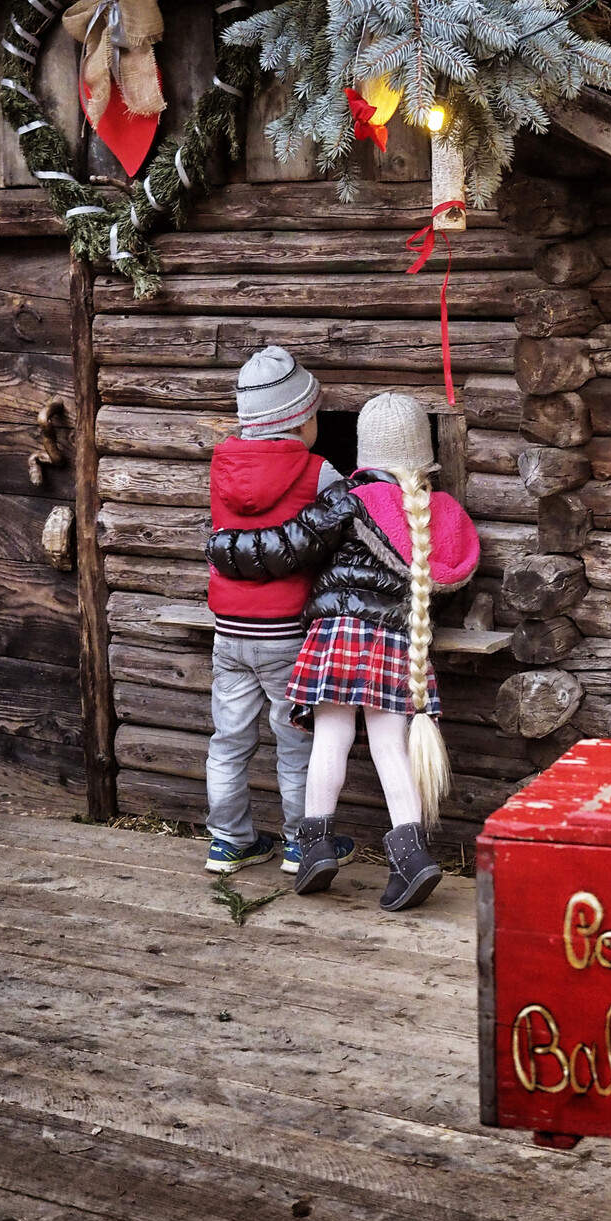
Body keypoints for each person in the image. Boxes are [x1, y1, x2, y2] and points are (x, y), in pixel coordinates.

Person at [206, 392, 479, 912]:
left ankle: (315, 851)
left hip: (338, 638)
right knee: (391, 749)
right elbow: (455, 573)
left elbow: (287, 547)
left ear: (364, 453)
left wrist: (222, 547)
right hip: (402, 642)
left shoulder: (349, 500)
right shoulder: (440, 513)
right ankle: (412, 855)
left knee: (329, 739)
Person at [204, 347, 355, 877]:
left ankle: (228, 841)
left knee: (229, 739)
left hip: (229, 632)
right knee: (297, 742)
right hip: (289, 633)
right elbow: (349, 534)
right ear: (300, 418)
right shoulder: (319, 472)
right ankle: (299, 844)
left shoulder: (222, 465)